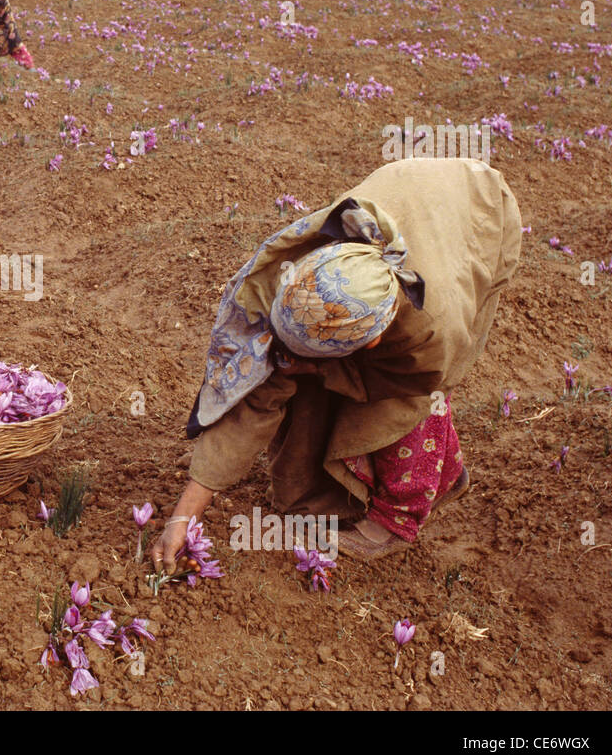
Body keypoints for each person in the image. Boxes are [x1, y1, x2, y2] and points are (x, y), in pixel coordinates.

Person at [153, 156, 521, 571]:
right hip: (410, 187)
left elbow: (410, 389)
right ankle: (441, 477)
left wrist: (322, 371)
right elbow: (259, 394)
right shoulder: (306, 273)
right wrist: (186, 510)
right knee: (298, 375)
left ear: (374, 341)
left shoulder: (432, 328)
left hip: (482, 212)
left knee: (409, 406)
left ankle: (396, 519)